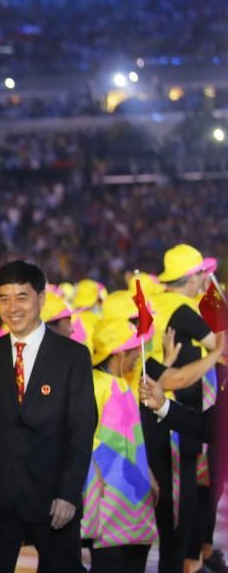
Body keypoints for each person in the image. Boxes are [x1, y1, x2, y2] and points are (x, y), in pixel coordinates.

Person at [0, 260, 96, 573]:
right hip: (1, 497)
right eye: (4, 298)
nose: (12, 308)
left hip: (54, 501)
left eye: (21, 297)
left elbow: (81, 431)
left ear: (41, 298)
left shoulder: (72, 356)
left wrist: (68, 494)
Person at [142, 245, 221, 573]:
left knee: (172, 500)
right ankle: (181, 566)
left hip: (149, 409)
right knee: (179, 502)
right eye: (202, 274)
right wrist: (215, 299)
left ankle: (185, 562)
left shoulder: (156, 302)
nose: (206, 279)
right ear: (192, 277)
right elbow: (221, 345)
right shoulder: (183, 309)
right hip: (171, 413)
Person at [80, 319, 156, 573]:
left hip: (136, 494)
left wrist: (149, 477)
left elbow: (134, 440)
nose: (138, 355)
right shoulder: (94, 384)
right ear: (119, 352)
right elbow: (82, 436)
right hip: (109, 500)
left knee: (135, 562)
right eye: (134, 349)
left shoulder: (123, 382)